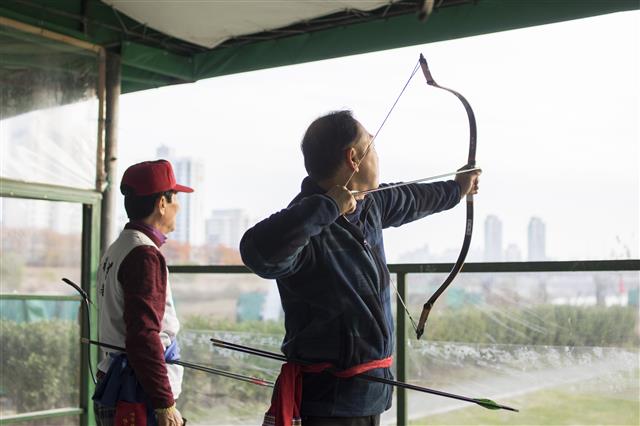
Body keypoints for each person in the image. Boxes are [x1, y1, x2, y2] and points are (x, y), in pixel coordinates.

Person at [240, 110, 480, 426]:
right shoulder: (306, 220)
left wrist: (457, 189)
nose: (377, 156)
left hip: (369, 392)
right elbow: (258, 252)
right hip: (329, 402)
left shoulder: (370, 205)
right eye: (373, 147)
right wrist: (327, 207)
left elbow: (411, 197)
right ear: (353, 157)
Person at [94, 159, 193, 426]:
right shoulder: (144, 255)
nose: (178, 206)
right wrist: (165, 404)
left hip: (120, 385)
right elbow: (144, 335)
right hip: (137, 393)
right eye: (174, 199)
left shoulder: (119, 247)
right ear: (162, 203)